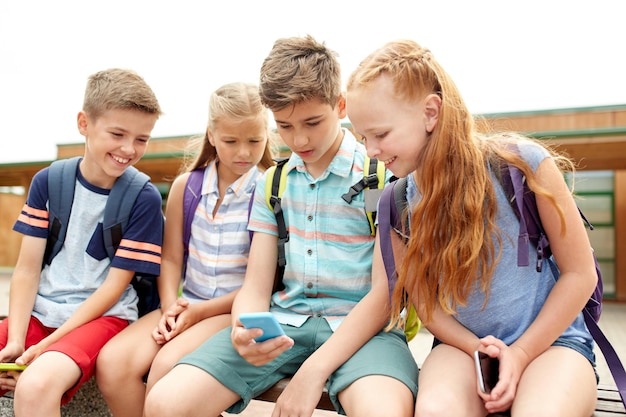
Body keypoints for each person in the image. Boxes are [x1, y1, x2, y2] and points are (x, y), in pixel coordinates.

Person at [144, 35, 418, 417]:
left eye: (312, 122)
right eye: (285, 126)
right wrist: (243, 327)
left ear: (340, 105)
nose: (299, 139)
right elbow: (255, 286)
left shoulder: (378, 177)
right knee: (164, 403)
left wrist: (313, 371)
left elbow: (385, 292)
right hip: (282, 324)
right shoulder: (273, 183)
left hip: (364, 330)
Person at [346, 39, 599, 417]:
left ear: (431, 113)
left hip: (553, 344)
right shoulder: (396, 203)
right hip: (463, 350)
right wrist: (476, 349)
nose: (370, 151)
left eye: (380, 135)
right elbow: (428, 307)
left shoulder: (522, 165)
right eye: (362, 137)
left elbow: (580, 275)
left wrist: (522, 352)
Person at [95, 81, 275, 417]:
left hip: (229, 312)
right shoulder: (187, 187)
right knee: (112, 364)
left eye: (254, 140)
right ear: (211, 134)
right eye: (231, 141)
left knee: (165, 366)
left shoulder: (270, 190)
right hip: (186, 304)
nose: (244, 153)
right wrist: (169, 307)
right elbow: (171, 257)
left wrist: (197, 313)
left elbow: (264, 282)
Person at [0, 68, 164, 417]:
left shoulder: (143, 198)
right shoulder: (48, 182)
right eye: (117, 133)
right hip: (42, 311)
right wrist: (17, 339)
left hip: (103, 317)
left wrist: (46, 345)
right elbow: (28, 270)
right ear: (84, 123)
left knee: (37, 384)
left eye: (141, 139)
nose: (128, 149)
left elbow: (113, 289)